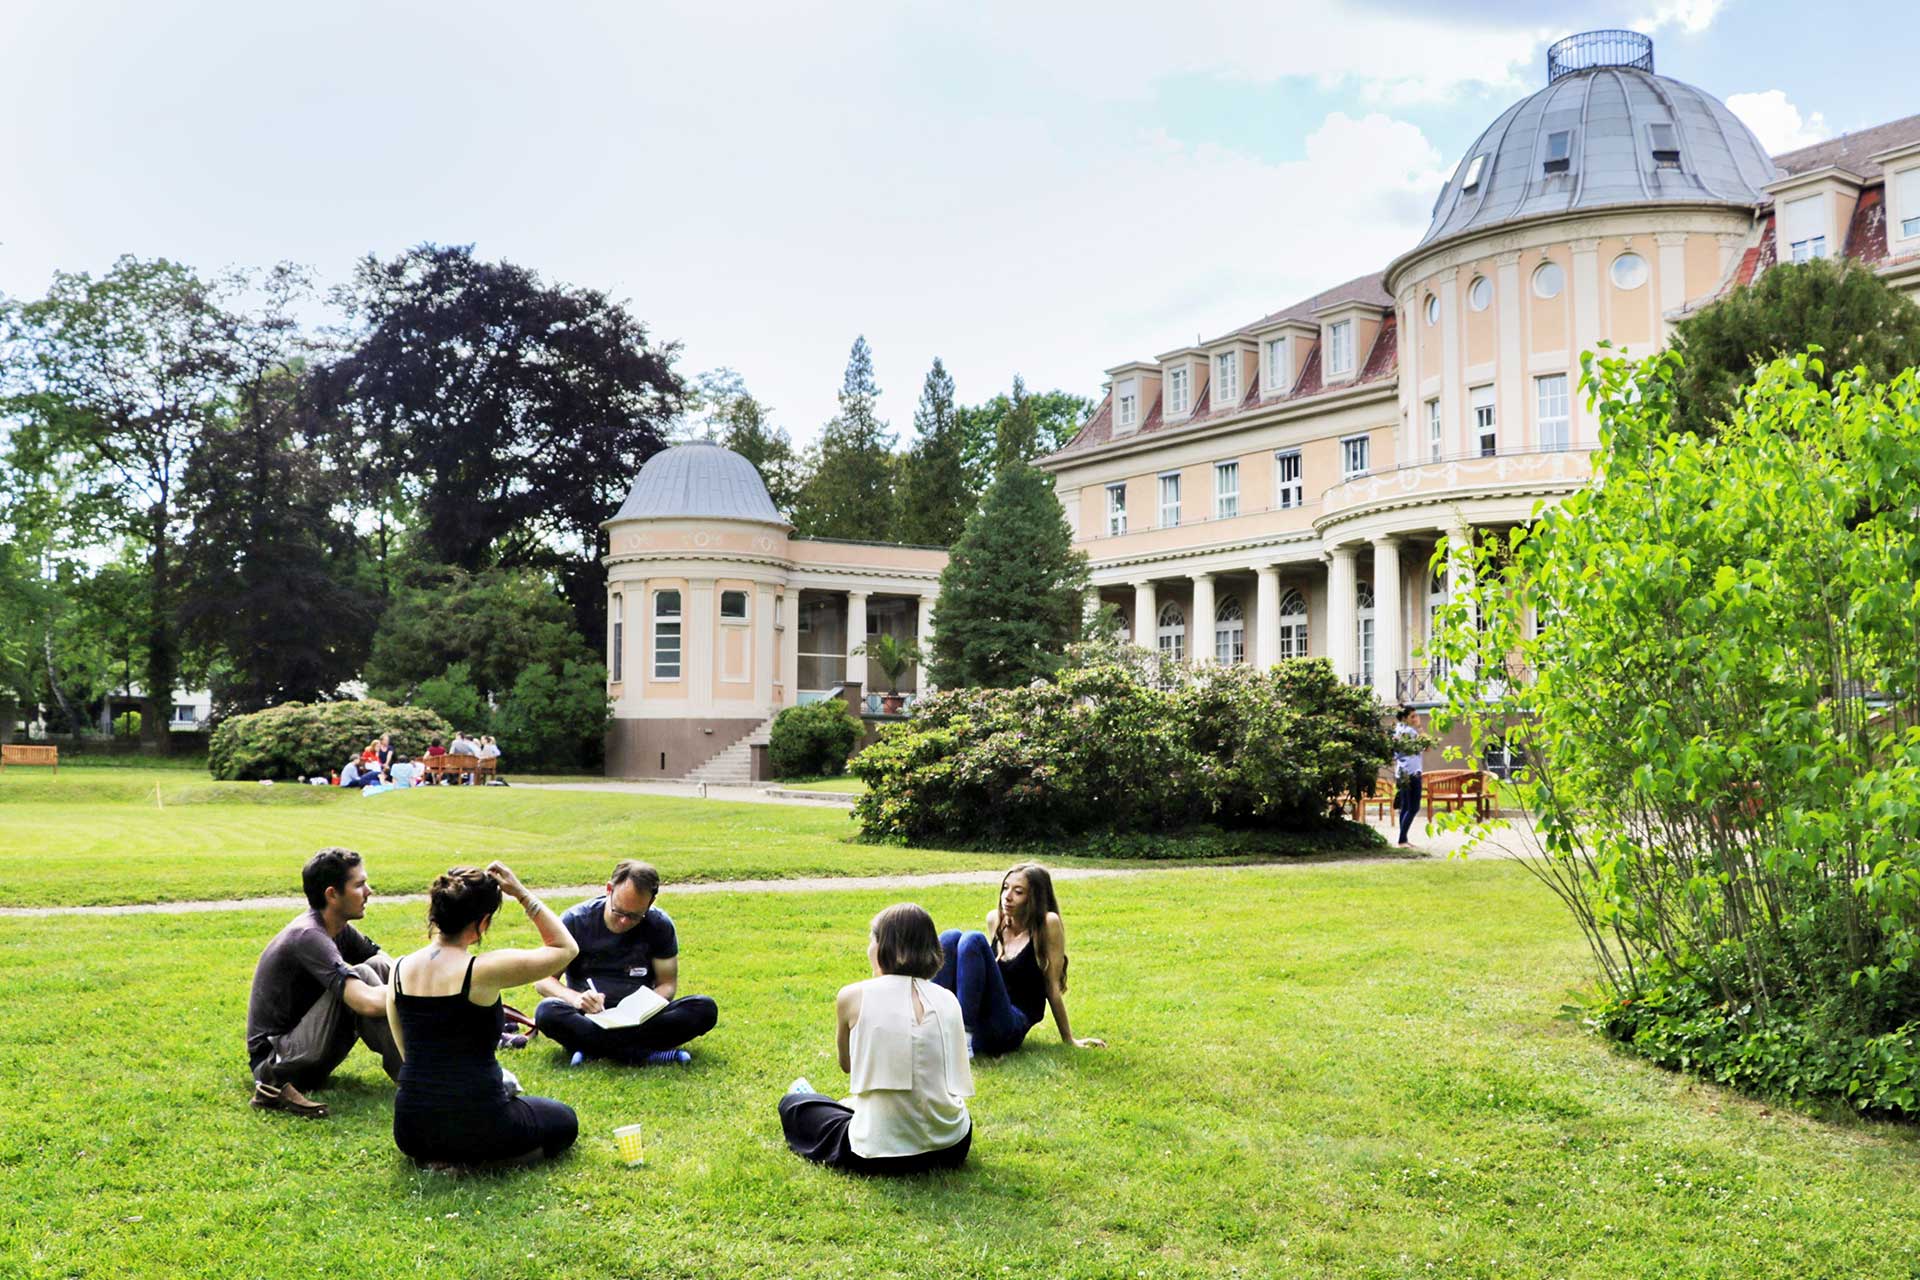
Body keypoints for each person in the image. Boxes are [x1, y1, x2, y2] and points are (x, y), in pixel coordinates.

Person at [386, 862, 580, 1166]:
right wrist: (521, 894)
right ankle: (481, 1162)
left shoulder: (398, 968)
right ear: (483, 922)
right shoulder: (482, 970)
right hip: (481, 1124)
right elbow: (566, 948)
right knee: (564, 1120)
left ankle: (445, 1158)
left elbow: (406, 1053)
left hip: (412, 1130)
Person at [779, 903, 973, 1175]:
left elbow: (848, 1065)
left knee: (794, 1104)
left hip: (882, 1153)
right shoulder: (948, 999)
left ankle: (818, 1101)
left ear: (887, 947)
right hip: (952, 1144)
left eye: (873, 940)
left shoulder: (853, 996)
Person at [245, 848, 402, 1117]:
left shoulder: (337, 927)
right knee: (362, 979)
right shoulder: (308, 935)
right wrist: (422, 992)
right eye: (360, 885)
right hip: (277, 1064)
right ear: (332, 894)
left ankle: (428, 1064)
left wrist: (436, 978)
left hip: (306, 1048)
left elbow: (387, 963)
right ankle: (417, 1077)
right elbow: (364, 1002)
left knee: (378, 967)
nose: (369, 892)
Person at [532, 860, 719, 1067]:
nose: (624, 922)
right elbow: (544, 980)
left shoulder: (659, 925)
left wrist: (641, 1007)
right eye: (619, 911)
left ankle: (592, 1049)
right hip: (589, 1016)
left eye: (634, 916)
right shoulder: (575, 920)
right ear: (609, 889)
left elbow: (667, 984)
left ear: (651, 902)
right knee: (547, 1012)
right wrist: (576, 999)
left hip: (641, 1021)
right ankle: (644, 1054)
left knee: (703, 1008)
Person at [933, 862, 1105, 1056]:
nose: (1007, 896)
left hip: (1010, 1024)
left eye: (1018, 892)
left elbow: (1052, 987)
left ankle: (962, 1040)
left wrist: (1069, 1039)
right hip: (983, 1017)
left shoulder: (1048, 924)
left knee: (973, 939)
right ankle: (932, 1026)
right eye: (1005, 888)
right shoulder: (995, 920)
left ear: (1034, 898)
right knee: (951, 937)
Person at [1392, 706, 1425, 846]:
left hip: (1401, 772)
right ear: (1404, 718)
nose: (1416, 718)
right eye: (1412, 716)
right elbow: (1427, 747)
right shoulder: (1410, 732)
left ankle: (1403, 839)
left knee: (1405, 807)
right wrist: (1421, 730)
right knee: (1413, 807)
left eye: (1416, 715)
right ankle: (1402, 839)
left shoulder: (1397, 731)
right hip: (1412, 773)